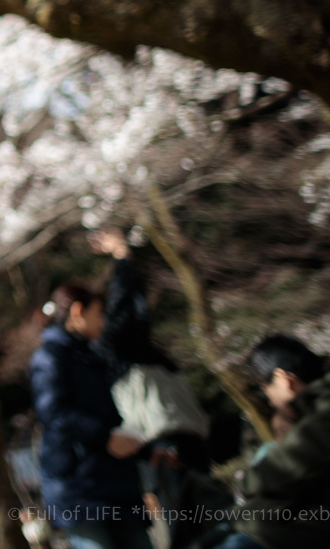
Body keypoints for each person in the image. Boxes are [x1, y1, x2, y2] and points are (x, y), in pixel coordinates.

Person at [201, 334, 330, 549]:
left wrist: (246, 482)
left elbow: (281, 471)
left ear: (284, 380)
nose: (270, 401)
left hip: (316, 530)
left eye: (266, 389)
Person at [90, 227, 225, 549]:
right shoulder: (108, 350)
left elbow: (133, 309)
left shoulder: (131, 348)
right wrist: (122, 256)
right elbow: (124, 306)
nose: (104, 317)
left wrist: (125, 258)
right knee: (189, 527)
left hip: (184, 439)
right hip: (160, 443)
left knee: (207, 522)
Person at [29, 283, 151, 549]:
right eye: (98, 312)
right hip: (79, 487)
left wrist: (145, 451)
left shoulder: (88, 355)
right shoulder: (50, 357)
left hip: (110, 480)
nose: (103, 321)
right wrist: (105, 437)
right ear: (77, 311)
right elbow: (53, 413)